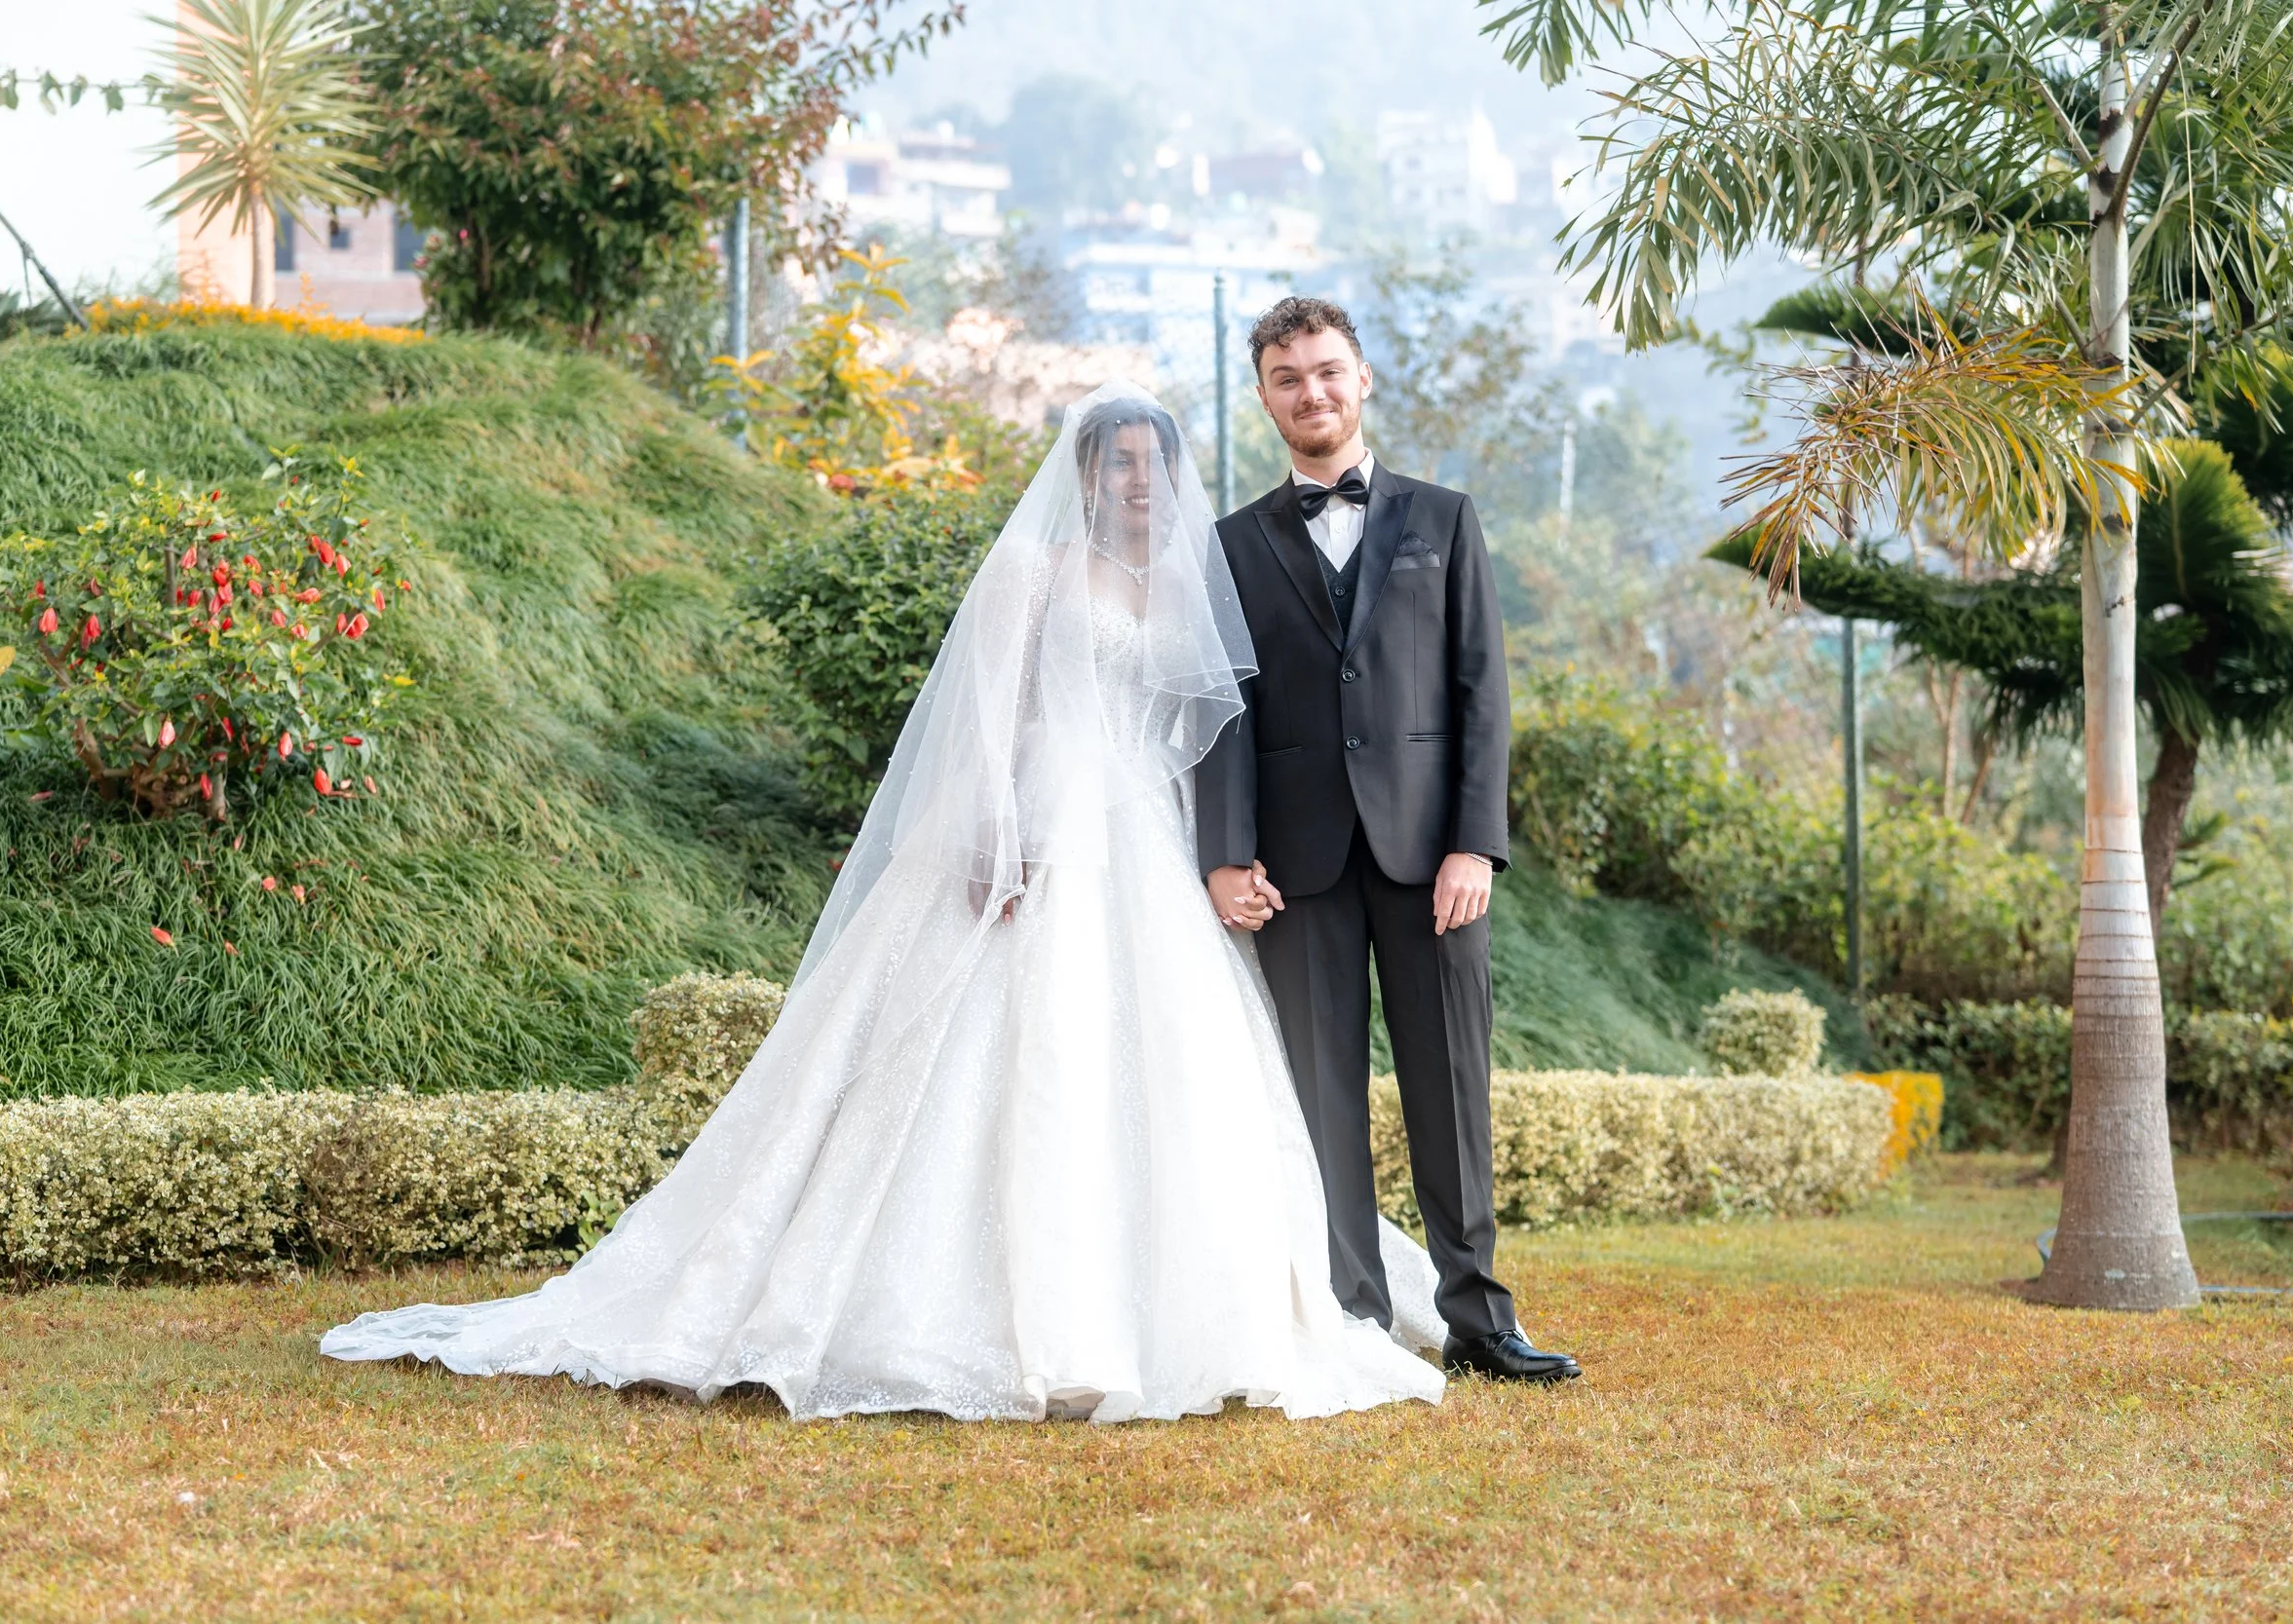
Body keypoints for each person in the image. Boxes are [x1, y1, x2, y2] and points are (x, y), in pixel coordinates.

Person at [323, 382, 1449, 1422]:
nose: (1138, 482)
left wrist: (1225, 855)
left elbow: (1209, 741)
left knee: (1164, 1068)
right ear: (1083, 475)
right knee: (995, 1057)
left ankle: (1181, 1310)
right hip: (1041, 829)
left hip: (1146, 846)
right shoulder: (1035, 572)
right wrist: (997, 835)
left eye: (1154, 463)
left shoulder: (1190, 586)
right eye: (1116, 464)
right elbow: (988, 716)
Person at [1196, 297, 1581, 1384]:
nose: (1309, 391)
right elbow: (1220, 707)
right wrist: (1223, 855)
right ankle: (1351, 1313)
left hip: (1431, 860)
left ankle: (1477, 1314)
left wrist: (1475, 843)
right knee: (1318, 1094)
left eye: (1326, 370)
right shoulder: (1227, 545)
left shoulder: (1444, 519)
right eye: (1286, 376)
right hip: (1296, 860)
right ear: (1264, 396)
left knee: (1451, 1084)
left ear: (1362, 380)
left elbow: (1482, 693)